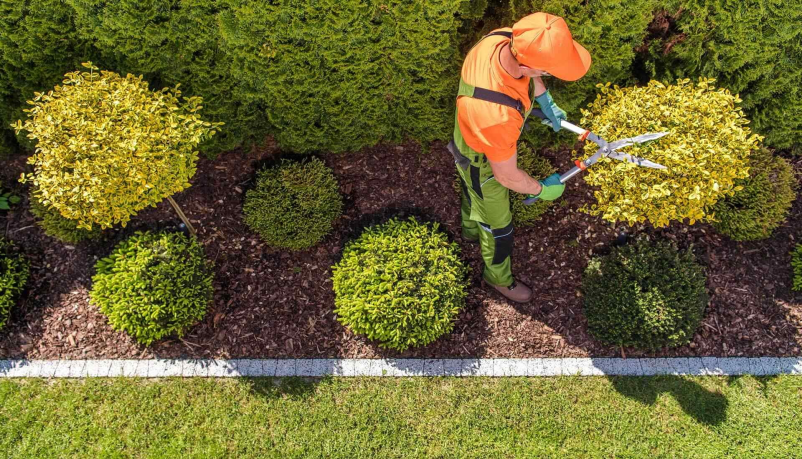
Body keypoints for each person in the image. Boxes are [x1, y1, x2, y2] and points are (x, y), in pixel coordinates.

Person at [448, 12, 591, 303]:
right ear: (526, 65)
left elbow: (530, 71)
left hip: (467, 135)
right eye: (547, 72)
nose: (546, 77)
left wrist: (544, 99)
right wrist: (543, 188)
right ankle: (498, 278)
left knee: (469, 191)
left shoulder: (502, 39)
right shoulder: (497, 117)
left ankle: (468, 229)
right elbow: (507, 176)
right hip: (481, 161)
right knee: (498, 226)